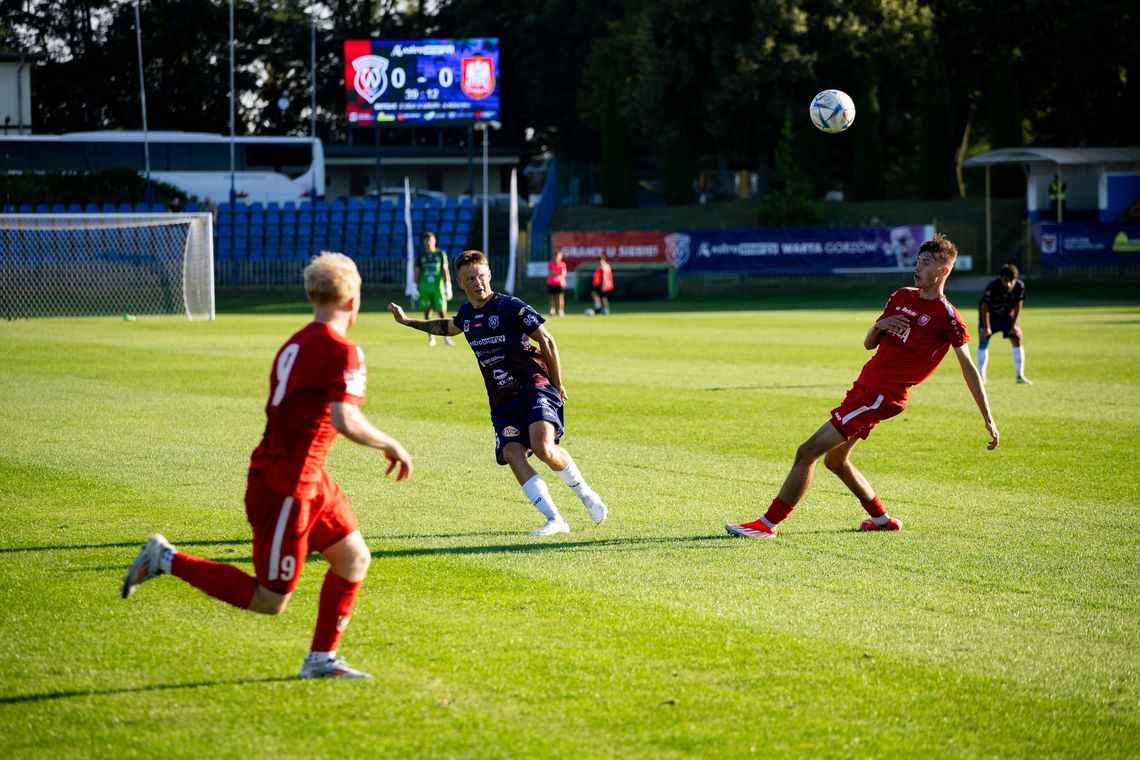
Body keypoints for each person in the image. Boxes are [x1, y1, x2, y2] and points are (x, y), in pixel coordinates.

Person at [121, 252, 414, 679]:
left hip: (310, 480)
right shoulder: (343, 351)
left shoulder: (294, 342)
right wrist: (392, 444)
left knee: (353, 559)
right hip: (286, 487)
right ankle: (165, 559)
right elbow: (343, 418)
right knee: (270, 598)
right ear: (353, 300)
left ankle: (321, 660)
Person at [725, 234, 999, 539]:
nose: (917, 267)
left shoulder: (948, 317)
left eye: (926, 262)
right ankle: (882, 519)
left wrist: (987, 417)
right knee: (835, 460)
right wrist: (880, 325)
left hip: (882, 396)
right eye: (917, 260)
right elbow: (869, 343)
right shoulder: (900, 296)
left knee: (806, 452)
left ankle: (767, 525)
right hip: (864, 388)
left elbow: (968, 368)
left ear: (944, 271)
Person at [387, 249, 608, 536]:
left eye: (481, 276)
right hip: (502, 399)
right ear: (461, 283)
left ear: (489, 275)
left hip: (534, 386)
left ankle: (586, 494)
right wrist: (408, 322)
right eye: (470, 278)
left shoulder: (509, 306)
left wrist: (557, 382)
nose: (478, 282)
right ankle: (555, 520)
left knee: (543, 449)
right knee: (513, 452)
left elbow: (547, 340)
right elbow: (446, 326)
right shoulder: (467, 315)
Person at [977, 263, 1031, 384]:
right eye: (1005, 280)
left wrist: (1013, 326)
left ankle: (1019, 376)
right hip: (989, 318)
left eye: (1011, 280)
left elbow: (1018, 307)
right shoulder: (992, 287)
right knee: (983, 341)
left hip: (1007, 317)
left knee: (1017, 339)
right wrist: (987, 328)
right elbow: (984, 308)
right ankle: (981, 377)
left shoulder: (1019, 287)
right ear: (1001, 278)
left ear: (1015, 279)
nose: (1008, 284)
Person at [415, 231, 454, 346]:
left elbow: (445, 269)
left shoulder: (440, 254)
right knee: (427, 311)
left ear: (434, 241)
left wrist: (448, 285)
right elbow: (417, 271)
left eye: (430, 240)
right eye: (426, 240)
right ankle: (431, 337)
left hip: (438, 288)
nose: (428, 243)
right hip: (425, 287)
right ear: (423, 242)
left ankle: (446, 337)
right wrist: (414, 286)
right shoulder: (421, 255)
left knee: (442, 312)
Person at [546, 249, 568, 317]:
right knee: (551, 297)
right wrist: (558, 273)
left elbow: (563, 273)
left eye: (558, 256)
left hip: (560, 283)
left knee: (560, 297)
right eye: (556, 256)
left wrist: (554, 273)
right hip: (551, 283)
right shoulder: (551, 264)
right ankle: (552, 310)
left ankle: (560, 311)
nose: (557, 258)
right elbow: (549, 273)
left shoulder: (562, 264)